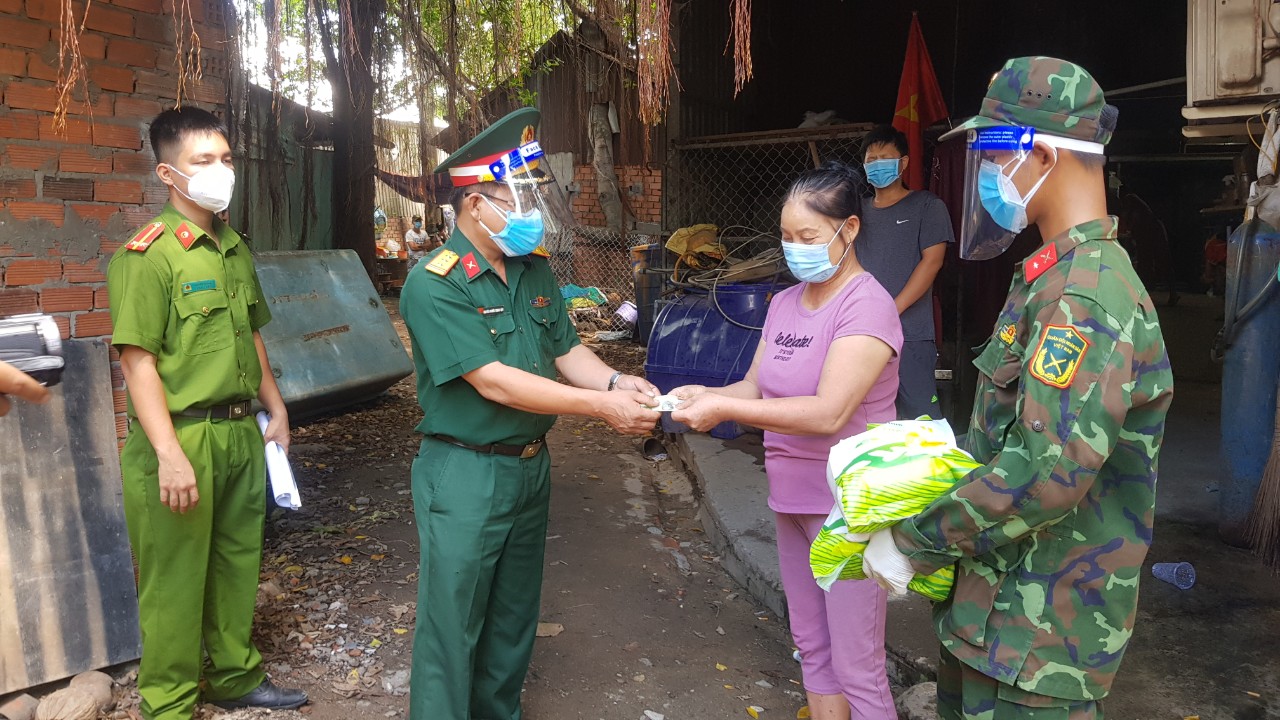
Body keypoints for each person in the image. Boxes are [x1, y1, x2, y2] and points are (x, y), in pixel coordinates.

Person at [860, 57, 1174, 718]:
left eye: (997, 156)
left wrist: (916, 540)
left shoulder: (1088, 295)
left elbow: (1045, 475)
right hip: (989, 623)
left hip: (1038, 644)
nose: (990, 175)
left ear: (1046, 157)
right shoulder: (1049, 278)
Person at [399, 107, 661, 720]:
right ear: (474, 205)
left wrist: (618, 379)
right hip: (465, 471)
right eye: (515, 198)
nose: (529, 211)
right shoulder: (434, 283)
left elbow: (566, 350)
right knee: (453, 624)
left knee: (514, 616)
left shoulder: (533, 268)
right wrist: (602, 407)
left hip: (528, 467)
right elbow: (493, 382)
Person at [670, 160, 902, 720]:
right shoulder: (784, 303)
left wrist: (725, 408)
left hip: (847, 511)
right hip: (790, 499)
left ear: (848, 229)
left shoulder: (867, 305)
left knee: (858, 666)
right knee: (813, 650)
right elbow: (754, 386)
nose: (795, 248)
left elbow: (829, 412)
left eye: (808, 237)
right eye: (786, 236)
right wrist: (708, 392)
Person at [107, 107, 307, 720]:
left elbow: (250, 335)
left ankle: (233, 676)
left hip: (240, 430)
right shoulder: (148, 256)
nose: (221, 170)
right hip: (180, 437)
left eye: (225, 158)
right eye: (203, 161)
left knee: (237, 561)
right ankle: (167, 704)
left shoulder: (232, 246)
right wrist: (168, 455)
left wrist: (276, 408)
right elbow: (137, 363)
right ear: (168, 173)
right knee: (173, 579)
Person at [858, 124, 953, 420]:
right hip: (861, 330)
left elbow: (932, 262)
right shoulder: (855, 213)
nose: (877, 165)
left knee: (920, 418)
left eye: (885, 158)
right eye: (871, 160)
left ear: (903, 163)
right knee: (865, 417)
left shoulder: (927, 206)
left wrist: (891, 309)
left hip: (910, 333)